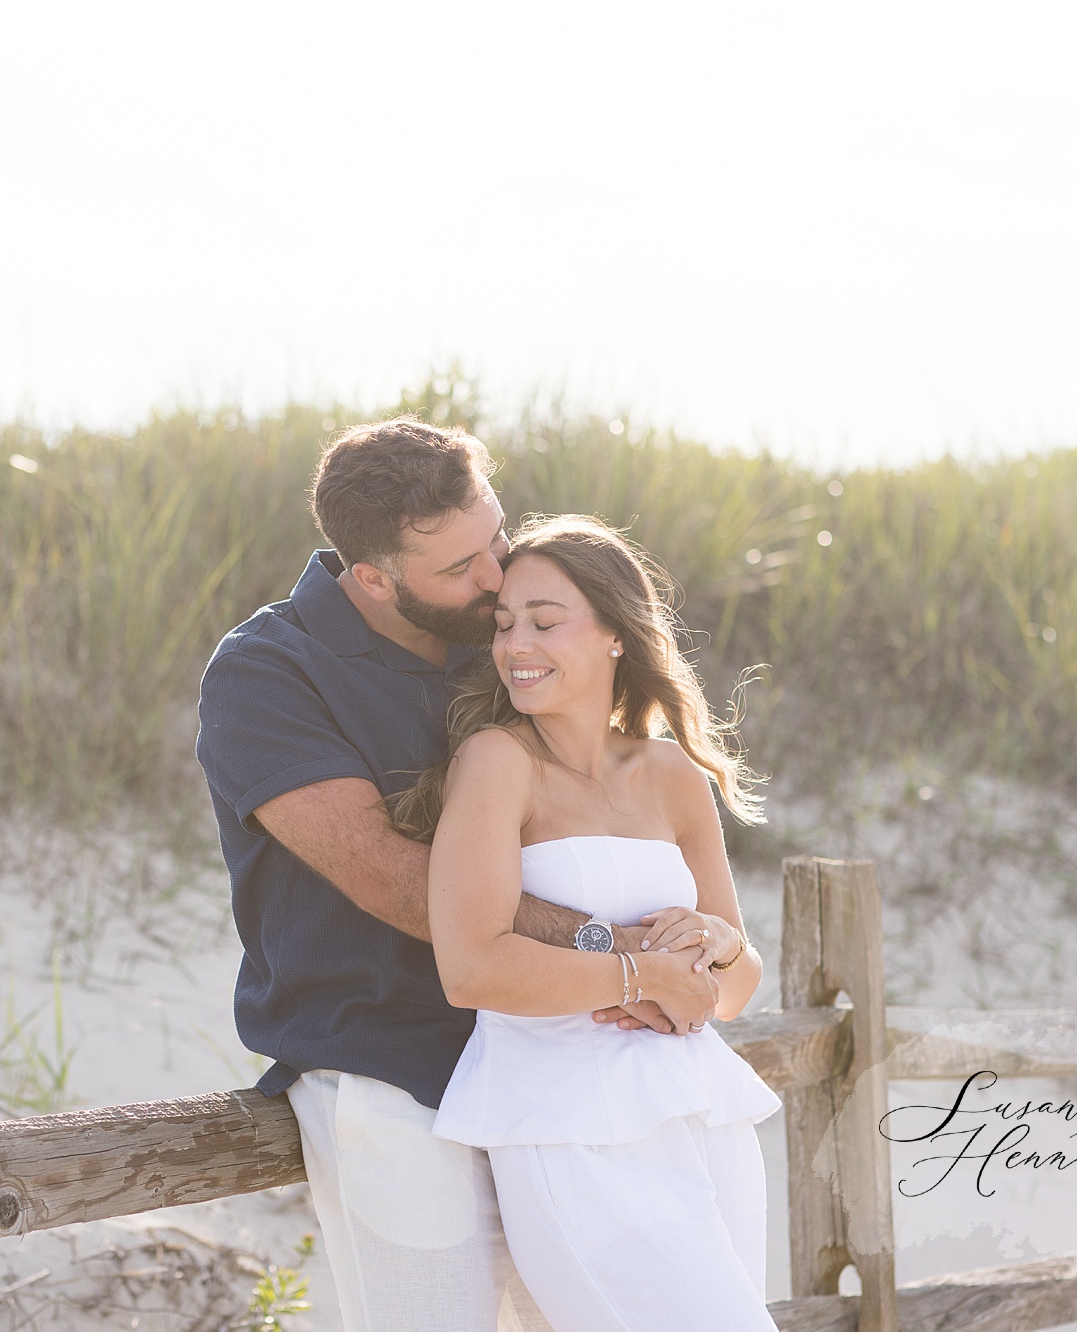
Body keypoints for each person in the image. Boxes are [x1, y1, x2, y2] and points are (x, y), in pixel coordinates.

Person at [195, 420, 711, 1331]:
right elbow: (395, 879)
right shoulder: (268, 673)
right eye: (461, 566)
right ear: (374, 579)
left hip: (553, 1057)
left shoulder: (505, 635)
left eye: (496, 538)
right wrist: (619, 949)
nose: (495, 574)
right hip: (390, 1073)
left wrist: (696, 941)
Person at [391, 513, 781, 1332]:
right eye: (503, 625)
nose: (514, 644)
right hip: (566, 1123)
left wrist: (716, 944)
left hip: (700, 1118)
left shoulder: (673, 774)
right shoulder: (499, 762)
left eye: (543, 620)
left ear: (614, 634)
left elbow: (738, 988)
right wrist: (638, 973)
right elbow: (472, 965)